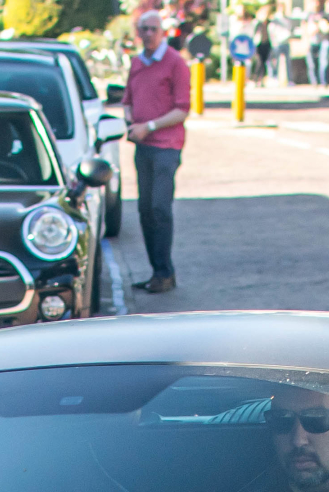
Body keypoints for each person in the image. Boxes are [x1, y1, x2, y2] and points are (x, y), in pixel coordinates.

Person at [125, 8, 193, 293]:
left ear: (163, 32)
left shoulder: (175, 63)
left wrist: (149, 126)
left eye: (153, 29)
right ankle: (157, 272)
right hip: (142, 147)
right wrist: (130, 120)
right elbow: (127, 99)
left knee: (159, 208)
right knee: (144, 210)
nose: (148, 34)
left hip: (166, 147)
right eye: (144, 29)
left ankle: (165, 272)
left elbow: (182, 110)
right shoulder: (137, 63)